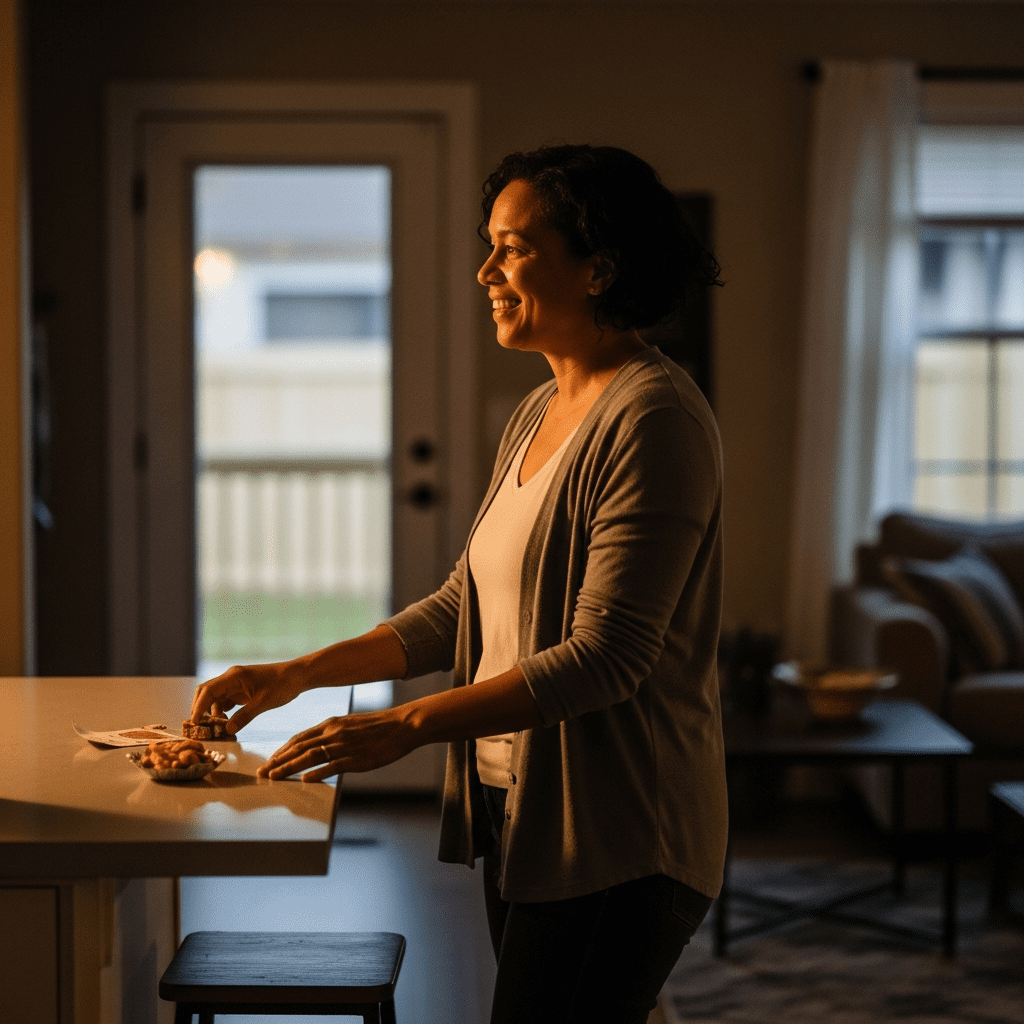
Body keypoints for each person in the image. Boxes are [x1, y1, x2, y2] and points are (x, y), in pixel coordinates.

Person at [190, 143, 727, 1024]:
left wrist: (402, 725)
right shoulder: (541, 409)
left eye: (513, 247)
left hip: (624, 828)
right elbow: (460, 608)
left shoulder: (654, 416)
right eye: (491, 245)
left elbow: (608, 658)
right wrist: (295, 674)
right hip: (520, 807)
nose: (485, 270)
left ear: (598, 268)